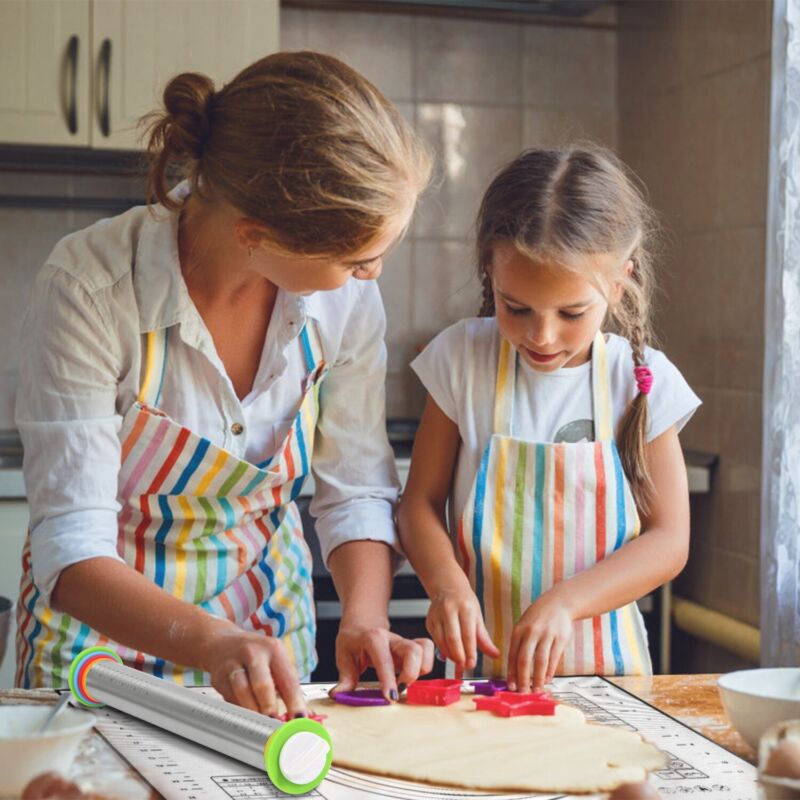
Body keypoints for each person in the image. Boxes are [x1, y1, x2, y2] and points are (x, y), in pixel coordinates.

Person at [15, 51, 434, 716]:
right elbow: (71, 547)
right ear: (256, 236)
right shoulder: (91, 287)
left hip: (266, 644)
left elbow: (353, 489)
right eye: (357, 260)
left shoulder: (343, 304)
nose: (371, 276)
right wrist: (210, 643)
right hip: (97, 658)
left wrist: (364, 617)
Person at [398, 145, 700, 692]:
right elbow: (419, 503)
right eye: (516, 308)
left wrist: (567, 602)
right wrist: (445, 585)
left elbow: (669, 539)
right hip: (482, 682)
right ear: (489, 269)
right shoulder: (460, 360)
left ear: (618, 282)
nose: (541, 336)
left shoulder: (637, 381)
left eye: (571, 313)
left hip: (613, 682)